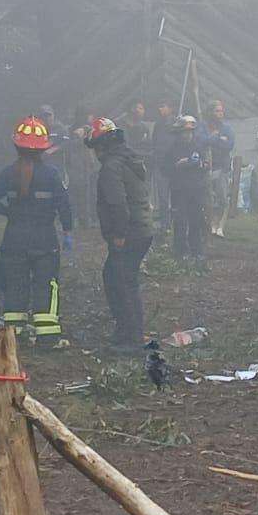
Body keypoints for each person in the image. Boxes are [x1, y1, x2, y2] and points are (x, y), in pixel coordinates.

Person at [0, 117, 73, 345]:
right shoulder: (51, 174)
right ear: (44, 147)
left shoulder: (8, 172)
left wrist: (9, 212)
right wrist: (68, 231)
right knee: (46, 283)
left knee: (15, 284)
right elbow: (64, 205)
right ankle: (48, 337)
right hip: (44, 240)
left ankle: (15, 336)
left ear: (17, 145)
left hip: (14, 238)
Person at [85, 117, 155, 349]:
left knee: (120, 281)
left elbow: (117, 204)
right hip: (142, 229)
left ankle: (130, 337)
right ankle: (128, 331)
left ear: (102, 145)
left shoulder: (111, 167)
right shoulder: (129, 160)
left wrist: (119, 233)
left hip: (130, 232)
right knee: (122, 279)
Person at [164, 115, 212, 269]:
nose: (188, 135)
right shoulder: (172, 149)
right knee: (180, 221)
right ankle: (179, 252)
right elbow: (164, 169)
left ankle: (196, 251)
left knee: (196, 221)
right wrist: (177, 165)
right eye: (185, 132)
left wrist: (200, 165)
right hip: (179, 190)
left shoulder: (198, 147)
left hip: (196, 190)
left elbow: (206, 165)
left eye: (190, 132)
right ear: (179, 133)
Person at [196, 100, 236, 238]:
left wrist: (213, 139)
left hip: (221, 167)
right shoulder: (202, 126)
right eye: (217, 111)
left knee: (223, 198)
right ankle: (212, 224)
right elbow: (200, 141)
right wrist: (217, 139)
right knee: (208, 198)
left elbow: (229, 145)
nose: (220, 113)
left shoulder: (227, 128)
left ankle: (221, 225)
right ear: (210, 112)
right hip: (206, 167)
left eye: (221, 111)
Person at [150, 99, 180, 229]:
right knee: (162, 197)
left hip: (174, 166)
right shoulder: (158, 125)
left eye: (163, 106)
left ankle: (177, 222)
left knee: (175, 196)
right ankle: (165, 223)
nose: (160, 109)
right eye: (159, 107)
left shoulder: (178, 123)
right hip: (160, 164)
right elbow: (154, 143)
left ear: (171, 108)